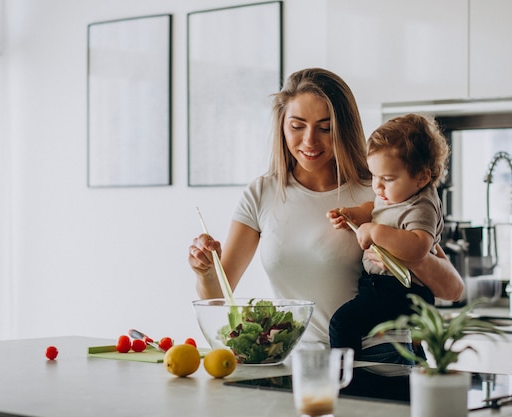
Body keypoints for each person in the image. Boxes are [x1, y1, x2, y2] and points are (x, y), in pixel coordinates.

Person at [188, 68, 464, 358]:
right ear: (282, 125)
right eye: (297, 126)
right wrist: (206, 272)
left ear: (344, 128)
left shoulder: (381, 188)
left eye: (325, 127)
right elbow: (220, 297)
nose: (309, 140)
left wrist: (394, 250)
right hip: (295, 366)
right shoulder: (262, 194)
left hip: (379, 361)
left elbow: (452, 289)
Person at [327, 113, 451, 362]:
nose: (378, 187)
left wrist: (375, 232)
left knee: (342, 324)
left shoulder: (422, 205)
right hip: (380, 285)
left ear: (423, 177)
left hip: (403, 291)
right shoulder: (397, 194)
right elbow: (374, 209)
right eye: (374, 176)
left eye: (387, 179)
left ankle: (348, 385)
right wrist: (353, 214)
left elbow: (419, 246)